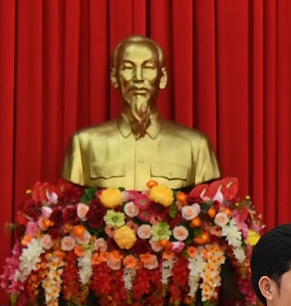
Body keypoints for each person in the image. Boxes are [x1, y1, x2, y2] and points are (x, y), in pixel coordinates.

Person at [61, 34, 223, 191]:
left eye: (148, 67)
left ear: (162, 78)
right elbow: (69, 201)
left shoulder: (196, 146)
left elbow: (209, 202)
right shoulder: (84, 144)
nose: (138, 77)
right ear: (114, 77)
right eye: (128, 68)